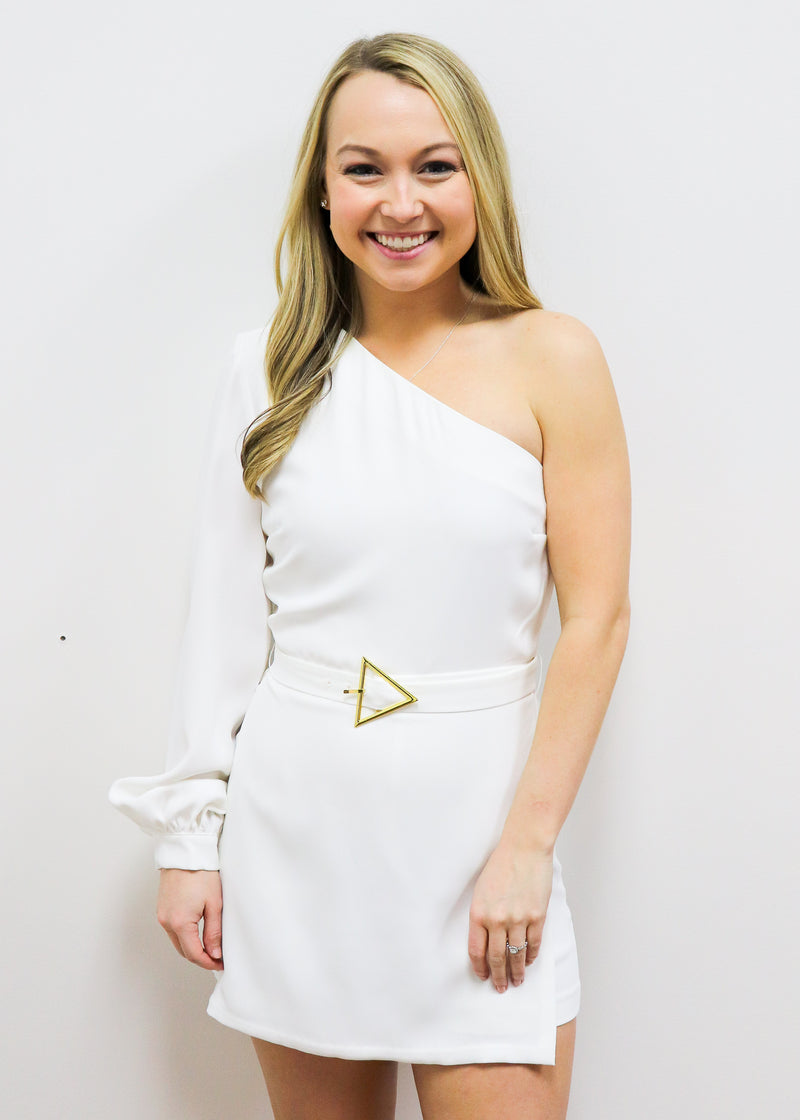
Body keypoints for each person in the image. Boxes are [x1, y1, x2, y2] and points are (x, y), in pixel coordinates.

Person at [109, 31, 630, 1120]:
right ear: (321, 189)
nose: (401, 203)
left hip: (482, 844)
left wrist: (527, 847)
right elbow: (222, 623)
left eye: (434, 166)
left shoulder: (555, 356)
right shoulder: (266, 369)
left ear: (479, 179)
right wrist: (190, 843)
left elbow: (596, 620)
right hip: (297, 836)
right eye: (364, 168)